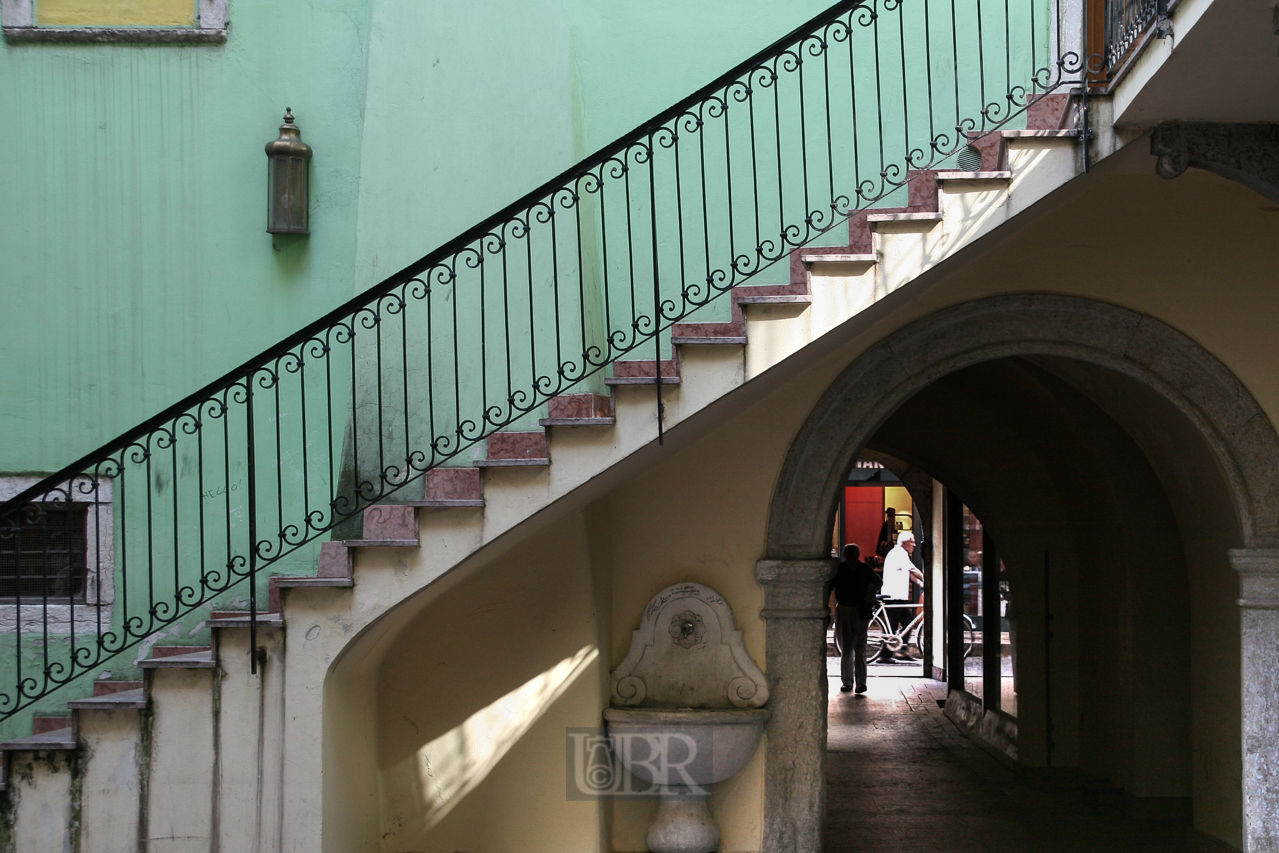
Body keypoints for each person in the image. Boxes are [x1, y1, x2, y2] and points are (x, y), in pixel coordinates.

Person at [830, 543, 881, 694]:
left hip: (859, 609)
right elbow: (829, 586)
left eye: (853, 555)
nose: (851, 558)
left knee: (857, 647)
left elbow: (878, 582)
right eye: (849, 555)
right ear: (846, 556)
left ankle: (857, 682)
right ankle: (850, 681)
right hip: (846, 608)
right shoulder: (842, 569)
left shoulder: (860, 570)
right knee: (848, 647)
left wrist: (872, 589)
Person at [881, 530, 924, 656]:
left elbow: (909, 572)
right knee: (893, 626)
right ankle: (885, 655)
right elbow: (913, 569)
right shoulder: (898, 553)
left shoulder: (901, 554)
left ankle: (901, 650)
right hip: (893, 596)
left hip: (898, 596)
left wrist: (921, 583)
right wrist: (928, 580)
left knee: (908, 622)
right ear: (904, 542)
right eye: (912, 542)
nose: (914, 545)